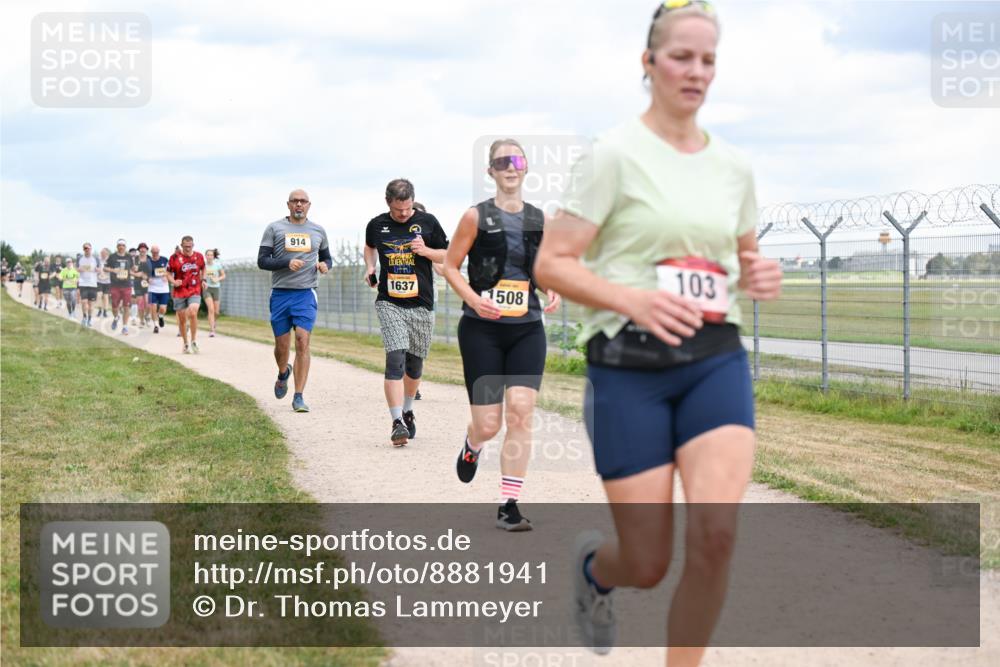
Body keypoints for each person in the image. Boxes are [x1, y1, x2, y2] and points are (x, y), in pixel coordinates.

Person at [533, 1, 783, 662]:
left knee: (716, 536)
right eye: (681, 57)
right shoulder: (613, 154)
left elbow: (745, 253)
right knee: (646, 561)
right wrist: (633, 299)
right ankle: (594, 572)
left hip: (713, 360)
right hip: (628, 364)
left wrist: (759, 274)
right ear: (648, 64)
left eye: (708, 59)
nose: (695, 71)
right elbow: (551, 263)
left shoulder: (734, 166)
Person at [443, 138, 562, 531]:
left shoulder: (538, 218)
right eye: (501, 161)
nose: (510, 167)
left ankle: (509, 503)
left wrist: (551, 286)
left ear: (526, 167)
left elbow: (538, 267)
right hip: (482, 331)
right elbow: (450, 267)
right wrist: (475, 301)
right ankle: (473, 443)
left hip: (527, 330)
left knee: (522, 413)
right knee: (490, 425)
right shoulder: (474, 217)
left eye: (517, 160)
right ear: (490, 171)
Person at [364, 179, 449, 446]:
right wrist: (370, 268)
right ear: (388, 202)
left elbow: (447, 255)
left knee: (414, 364)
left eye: (408, 208)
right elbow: (370, 247)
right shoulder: (377, 224)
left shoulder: (429, 222)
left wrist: (426, 251)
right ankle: (396, 421)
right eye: (398, 209)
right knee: (395, 358)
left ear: (413, 201)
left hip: (422, 303)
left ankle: (409, 409)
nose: (403, 214)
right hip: (390, 302)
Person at [257, 189, 332, 413]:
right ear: (288, 205)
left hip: (305, 292)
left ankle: (299, 396)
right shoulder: (274, 228)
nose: (299, 205)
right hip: (280, 293)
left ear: (309, 205)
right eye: (295, 201)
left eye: (303, 202)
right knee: (282, 345)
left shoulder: (318, 230)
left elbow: (327, 257)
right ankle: (283, 373)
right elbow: (262, 261)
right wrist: (286, 262)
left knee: (302, 340)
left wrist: (325, 265)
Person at [168, 236, 206, 354]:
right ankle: (185, 343)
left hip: (194, 289)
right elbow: (168, 273)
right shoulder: (174, 257)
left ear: (193, 245)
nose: (188, 248)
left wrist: (203, 280)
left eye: (190, 246)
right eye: (185, 246)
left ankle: (194, 341)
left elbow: (203, 268)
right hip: (180, 291)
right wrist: (174, 282)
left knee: (193, 311)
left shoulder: (199, 256)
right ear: (182, 245)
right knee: (182, 320)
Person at [106, 240, 135, 334]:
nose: (121, 247)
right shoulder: (112, 256)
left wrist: (137, 269)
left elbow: (132, 268)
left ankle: (125, 327)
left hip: (127, 285)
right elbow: (105, 268)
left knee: (126, 306)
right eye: (119, 245)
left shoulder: (129, 257)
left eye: (123, 245)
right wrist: (113, 270)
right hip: (115, 285)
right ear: (117, 246)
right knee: (115, 306)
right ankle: (116, 317)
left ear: (125, 247)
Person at [146, 245, 171, 333]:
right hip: (152, 288)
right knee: (153, 307)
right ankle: (156, 326)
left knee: (163, 308)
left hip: (164, 288)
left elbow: (170, 271)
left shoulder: (165, 259)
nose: (155, 253)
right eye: (154, 252)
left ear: (159, 251)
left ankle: (160, 316)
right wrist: (147, 278)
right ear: (151, 252)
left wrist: (166, 276)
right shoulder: (148, 262)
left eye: (157, 252)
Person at [202, 248, 226, 336]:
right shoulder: (203, 266)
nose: (209, 256)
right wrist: (203, 281)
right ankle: (212, 330)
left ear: (213, 256)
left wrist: (217, 279)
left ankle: (213, 322)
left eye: (211, 255)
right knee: (211, 309)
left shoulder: (217, 265)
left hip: (216, 288)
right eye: (208, 255)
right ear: (205, 256)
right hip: (206, 288)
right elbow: (200, 276)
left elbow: (223, 275)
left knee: (216, 312)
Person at [77, 243, 99, 327]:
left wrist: (98, 270)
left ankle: (89, 319)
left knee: (91, 304)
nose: (87, 250)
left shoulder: (95, 258)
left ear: (91, 249)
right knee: (83, 302)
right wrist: (79, 269)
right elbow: (76, 269)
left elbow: (100, 269)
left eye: (88, 248)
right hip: (83, 283)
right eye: (85, 248)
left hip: (93, 284)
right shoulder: (80, 258)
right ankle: (84, 317)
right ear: (83, 250)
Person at [132, 243, 151, 328]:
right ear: (139, 250)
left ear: (147, 250)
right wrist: (137, 274)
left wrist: (148, 276)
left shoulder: (150, 259)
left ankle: (147, 316)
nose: (142, 250)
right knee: (140, 302)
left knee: (147, 302)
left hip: (148, 283)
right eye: (141, 248)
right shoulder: (134, 259)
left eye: (144, 248)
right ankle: (141, 321)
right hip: (137, 283)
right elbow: (128, 271)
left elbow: (154, 270)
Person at [96, 248, 111, 317]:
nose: (102, 254)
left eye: (104, 253)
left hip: (107, 281)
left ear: (107, 254)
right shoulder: (98, 260)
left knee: (105, 297)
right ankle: (99, 310)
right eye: (101, 253)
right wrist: (97, 270)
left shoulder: (110, 261)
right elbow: (94, 268)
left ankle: (105, 311)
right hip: (99, 280)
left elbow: (113, 270)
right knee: (99, 295)